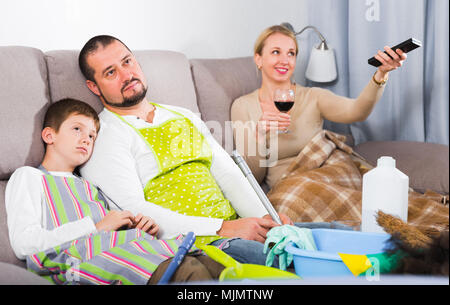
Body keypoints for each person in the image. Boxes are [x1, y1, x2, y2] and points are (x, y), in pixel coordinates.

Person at [77, 35, 292, 267]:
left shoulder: (183, 115)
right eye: (111, 72)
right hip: (200, 244)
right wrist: (223, 228)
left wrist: (265, 219)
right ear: (93, 87)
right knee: (296, 261)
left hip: (239, 227)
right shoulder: (105, 135)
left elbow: (229, 175)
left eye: (127, 62)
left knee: (328, 236)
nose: (126, 75)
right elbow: (133, 208)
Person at [5, 98, 224, 285]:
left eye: (92, 136)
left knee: (220, 268)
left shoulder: (90, 185)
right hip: (74, 262)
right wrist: (96, 226)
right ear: (49, 135)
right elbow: (25, 244)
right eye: (77, 129)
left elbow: (111, 228)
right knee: (191, 273)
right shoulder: (29, 176)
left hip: (126, 248)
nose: (86, 139)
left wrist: (142, 227)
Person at [231, 24, 407, 189]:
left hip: (328, 177)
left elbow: (357, 111)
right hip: (292, 188)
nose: (285, 60)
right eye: (276, 52)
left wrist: (381, 74)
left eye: (291, 53)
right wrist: (259, 135)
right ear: (258, 59)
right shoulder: (243, 106)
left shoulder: (313, 96)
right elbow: (251, 178)